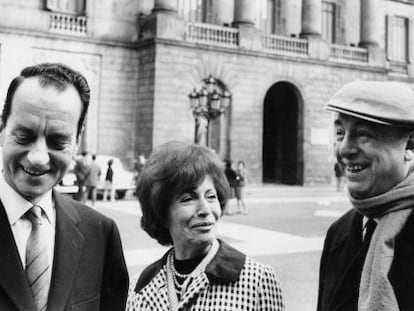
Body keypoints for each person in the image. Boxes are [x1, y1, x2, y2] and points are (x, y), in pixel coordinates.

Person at [0, 63, 128, 310]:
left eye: (58, 142)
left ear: (77, 140)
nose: (38, 157)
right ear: (2, 127)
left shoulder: (100, 233)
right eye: (24, 136)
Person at [126, 141, 284, 310]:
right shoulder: (140, 289)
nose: (205, 209)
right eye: (188, 199)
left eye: (210, 196)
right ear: (162, 213)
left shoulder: (256, 280)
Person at [317, 81, 414, 311]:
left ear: (409, 145)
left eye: (363, 135)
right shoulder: (338, 232)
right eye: (340, 133)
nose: (344, 149)